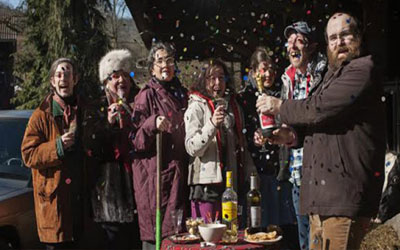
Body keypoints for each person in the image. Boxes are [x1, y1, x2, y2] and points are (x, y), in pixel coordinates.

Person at [256, 12, 386, 249]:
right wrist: (290, 136)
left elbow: (317, 109)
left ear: (358, 37)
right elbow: (319, 123)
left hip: (343, 199)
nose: (340, 42)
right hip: (321, 198)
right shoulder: (331, 75)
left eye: (345, 35)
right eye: (333, 38)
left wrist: (279, 106)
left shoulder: (361, 70)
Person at [255, 21, 327, 250]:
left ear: (312, 46)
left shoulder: (324, 74)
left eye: (299, 40)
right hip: (297, 171)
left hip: (322, 171)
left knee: (324, 238)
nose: (292, 46)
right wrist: (275, 134)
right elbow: (290, 123)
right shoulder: (288, 77)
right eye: (289, 41)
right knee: (304, 239)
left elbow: (316, 113)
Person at [130, 41, 189, 250]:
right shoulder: (146, 95)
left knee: (177, 237)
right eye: (160, 61)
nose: (166, 65)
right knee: (156, 238)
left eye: (170, 60)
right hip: (154, 179)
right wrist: (151, 123)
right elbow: (134, 139)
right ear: (152, 68)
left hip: (178, 176)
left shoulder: (182, 93)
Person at [21, 58, 84, 249]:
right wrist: (57, 147)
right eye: (59, 74)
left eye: (67, 74)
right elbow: (28, 154)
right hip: (54, 205)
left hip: (80, 204)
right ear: (52, 81)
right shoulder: (41, 115)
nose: (63, 78)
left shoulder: (83, 111)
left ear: (75, 79)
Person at [185, 59, 255, 225]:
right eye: (212, 78)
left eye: (221, 78)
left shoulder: (233, 105)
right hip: (207, 188)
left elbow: (242, 145)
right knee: (210, 239)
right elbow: (191, 147)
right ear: (204, 80)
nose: (217, 83)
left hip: (232, 184)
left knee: (232, 237)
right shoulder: (196, 106)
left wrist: (251, 175)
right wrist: (212, 125)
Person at [82, 49, 140, 249]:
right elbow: (90, 144)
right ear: (106, 81)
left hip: (138, 185)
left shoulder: (139, 102)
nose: (122, 80)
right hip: (108, 191)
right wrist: (107, 123)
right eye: (116, 76)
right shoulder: (95, 107)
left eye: (126, 75)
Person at [237, 47, 296, 230]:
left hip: (280, 168)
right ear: (254, 72)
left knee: (282, 227)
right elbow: (239, 131)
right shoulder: (244, 98)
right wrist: (251, 135)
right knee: (257, 224)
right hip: (255, 170)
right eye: (264, 69)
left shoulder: (281, 94)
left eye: (271, 69)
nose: (268, 74)